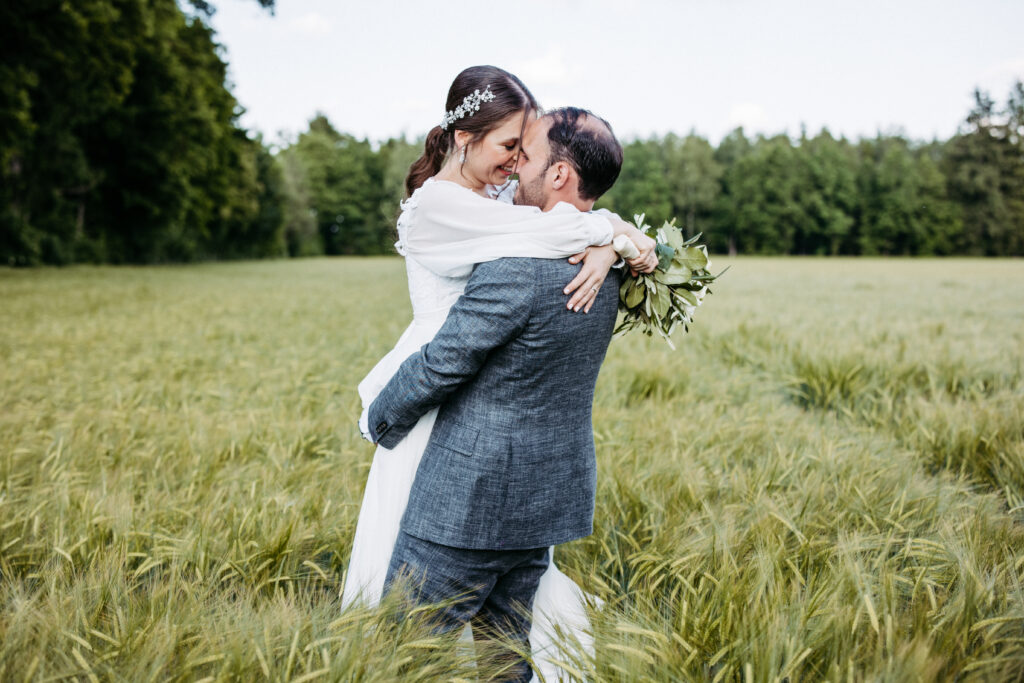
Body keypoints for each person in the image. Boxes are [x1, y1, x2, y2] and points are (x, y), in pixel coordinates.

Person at [344, 65, 654, 679]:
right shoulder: (451, 209)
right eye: (510, 145)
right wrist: (614, 239)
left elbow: (448, 360)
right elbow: (560, 222)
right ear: (466, 137)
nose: (514, 165)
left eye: (523, 150)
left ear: (557, 173)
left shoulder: (514, 246)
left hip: (466, 468)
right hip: (535, 484)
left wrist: (379, 417)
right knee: (504, 652)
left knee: (405, 649)